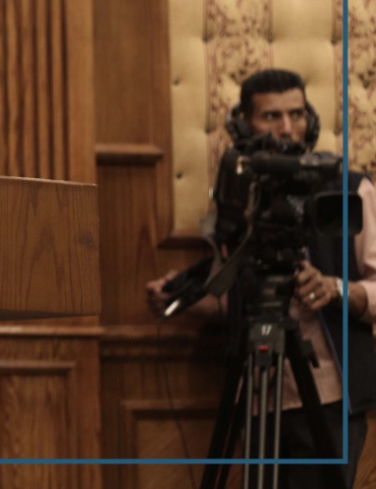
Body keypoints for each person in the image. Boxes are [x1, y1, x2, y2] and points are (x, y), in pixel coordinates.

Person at [145, 69, 376, 489]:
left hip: (329, 397)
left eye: (297, 114)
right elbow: (232, 299)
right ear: (243, 125)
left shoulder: (349, 189)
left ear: (311, 120)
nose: (287, 128)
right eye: (271, 116)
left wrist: (335, 288)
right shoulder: (236, 201)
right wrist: (181, 297)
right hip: (257, 397)